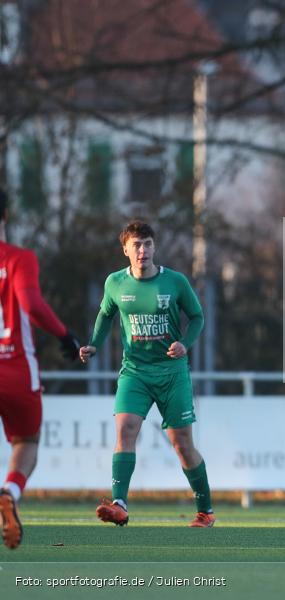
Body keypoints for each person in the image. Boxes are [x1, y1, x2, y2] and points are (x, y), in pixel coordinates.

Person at [80, 220, 214, 528]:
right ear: (125, 249)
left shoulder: (175, 282)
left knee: (182, 444)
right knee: (125, 430)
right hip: (135, 372)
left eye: (148, 244)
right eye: (137, 245)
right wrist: (94, 345)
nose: (143, 251)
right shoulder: (115, 283)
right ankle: (119, 504)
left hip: (171, 373)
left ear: (154, 247)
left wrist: (185, 343)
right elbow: (105, 315)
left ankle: (205, 510)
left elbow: (197, 317)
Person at [0, 189, 80, 549]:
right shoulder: (19, 258)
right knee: (26, 441)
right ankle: (11, 491)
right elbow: (31, 305)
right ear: (6, 215)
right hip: (16, 366)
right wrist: (65, 336)